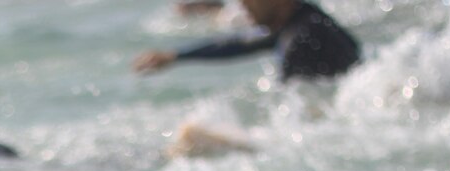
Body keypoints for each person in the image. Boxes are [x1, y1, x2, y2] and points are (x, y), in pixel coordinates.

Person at [133, 0, 360, 82]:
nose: (242, 4)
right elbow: (241, 44)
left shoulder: (300, 44)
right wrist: (176, 56)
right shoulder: (306, 17)